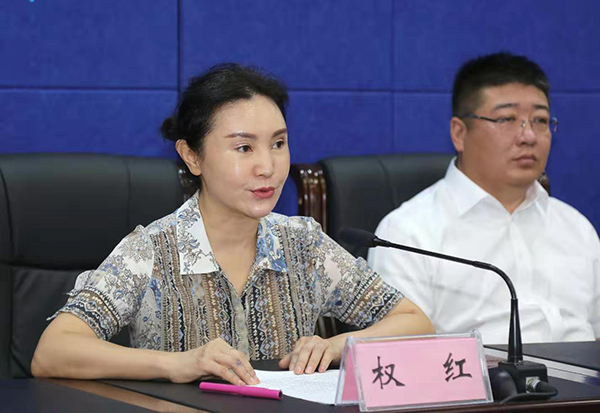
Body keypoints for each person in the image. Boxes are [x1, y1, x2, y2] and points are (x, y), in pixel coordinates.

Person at [32, 63, 433, 385]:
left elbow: (414, 322)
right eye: (244, 147)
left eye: (278, 144)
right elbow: (53, 351)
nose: (267, 166)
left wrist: (337, 346)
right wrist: (177, 364)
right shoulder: (151, 252)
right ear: (192, 157)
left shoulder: (304, 245)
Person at [368, 52, 600, 344]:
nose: (528, 136)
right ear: (459, 133)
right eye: (507, 119)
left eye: (540, 120)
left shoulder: (576, 227)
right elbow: (399, 353)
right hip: (478, 375)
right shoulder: (408, 233)